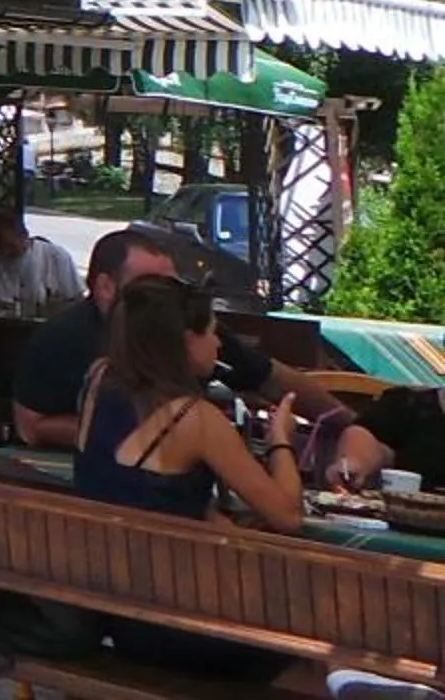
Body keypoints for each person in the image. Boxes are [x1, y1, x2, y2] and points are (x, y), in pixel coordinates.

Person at [68, 275, 302, 680]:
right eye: (211, 331)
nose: (218, 344)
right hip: (180, 624)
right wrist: (280, 439)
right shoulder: (193, 419)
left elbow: (141, 493)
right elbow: (288, 515)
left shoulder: (97, 379)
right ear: (185, 340)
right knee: (319, 627)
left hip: (111, 609)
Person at [11, 228, 341, 450]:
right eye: (150, 285)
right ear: (105, 287)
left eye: (172, 285)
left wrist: (351, 423)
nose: (167, 296)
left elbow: (268, 376)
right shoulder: (62, 339)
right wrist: (148, 433)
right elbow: (31, 426)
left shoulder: (189, 327)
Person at [0, 212, 82, 316]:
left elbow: (77, 301)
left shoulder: (57, 256)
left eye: (10, 246)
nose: (4, 252)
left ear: (25, 236)